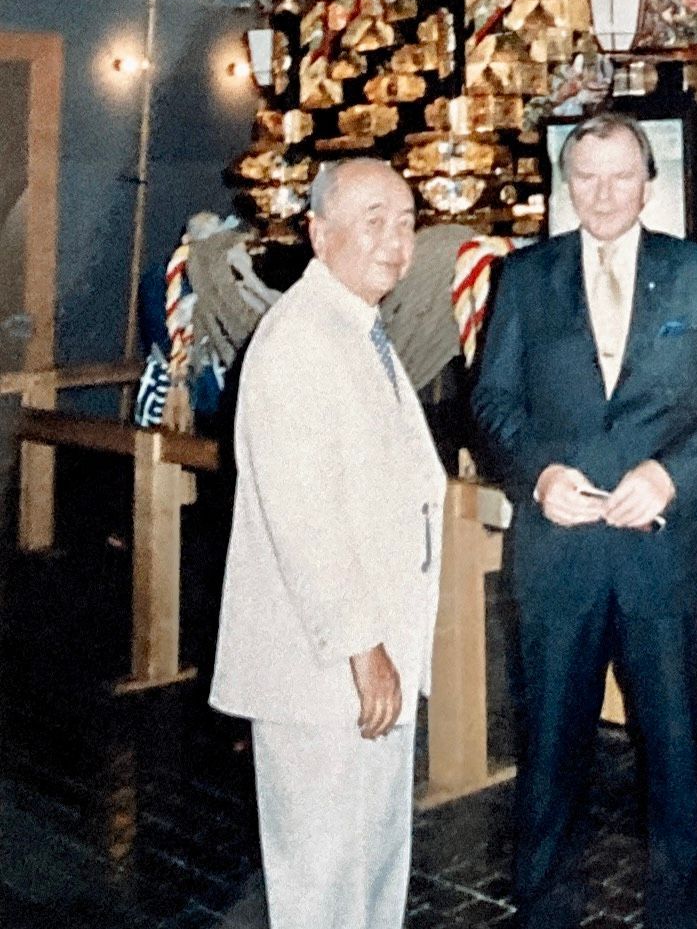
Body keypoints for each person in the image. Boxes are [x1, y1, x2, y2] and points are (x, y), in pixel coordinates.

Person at [471, 111, 697, 929]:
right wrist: (538, 473)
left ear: (648, 181)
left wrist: (669, 475)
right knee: (550, 763)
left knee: (676, 764)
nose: (603, 193)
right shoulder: (524, 277)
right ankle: (545, 915)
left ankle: (679, 917)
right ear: (568, 183)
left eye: (620, 174)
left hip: (660, 558)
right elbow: (492, 402)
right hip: (558, 556)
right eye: (587, 176)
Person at [211, 159, 445, 929]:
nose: (395, 239)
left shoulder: (356, 326)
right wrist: (361, 642)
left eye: (407, 219)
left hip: (365, 662)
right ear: (319, 232)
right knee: (321, 885)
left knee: (371, 871)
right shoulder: (300, 339)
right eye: (372, 219)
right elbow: (302, 513)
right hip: (325, 666)